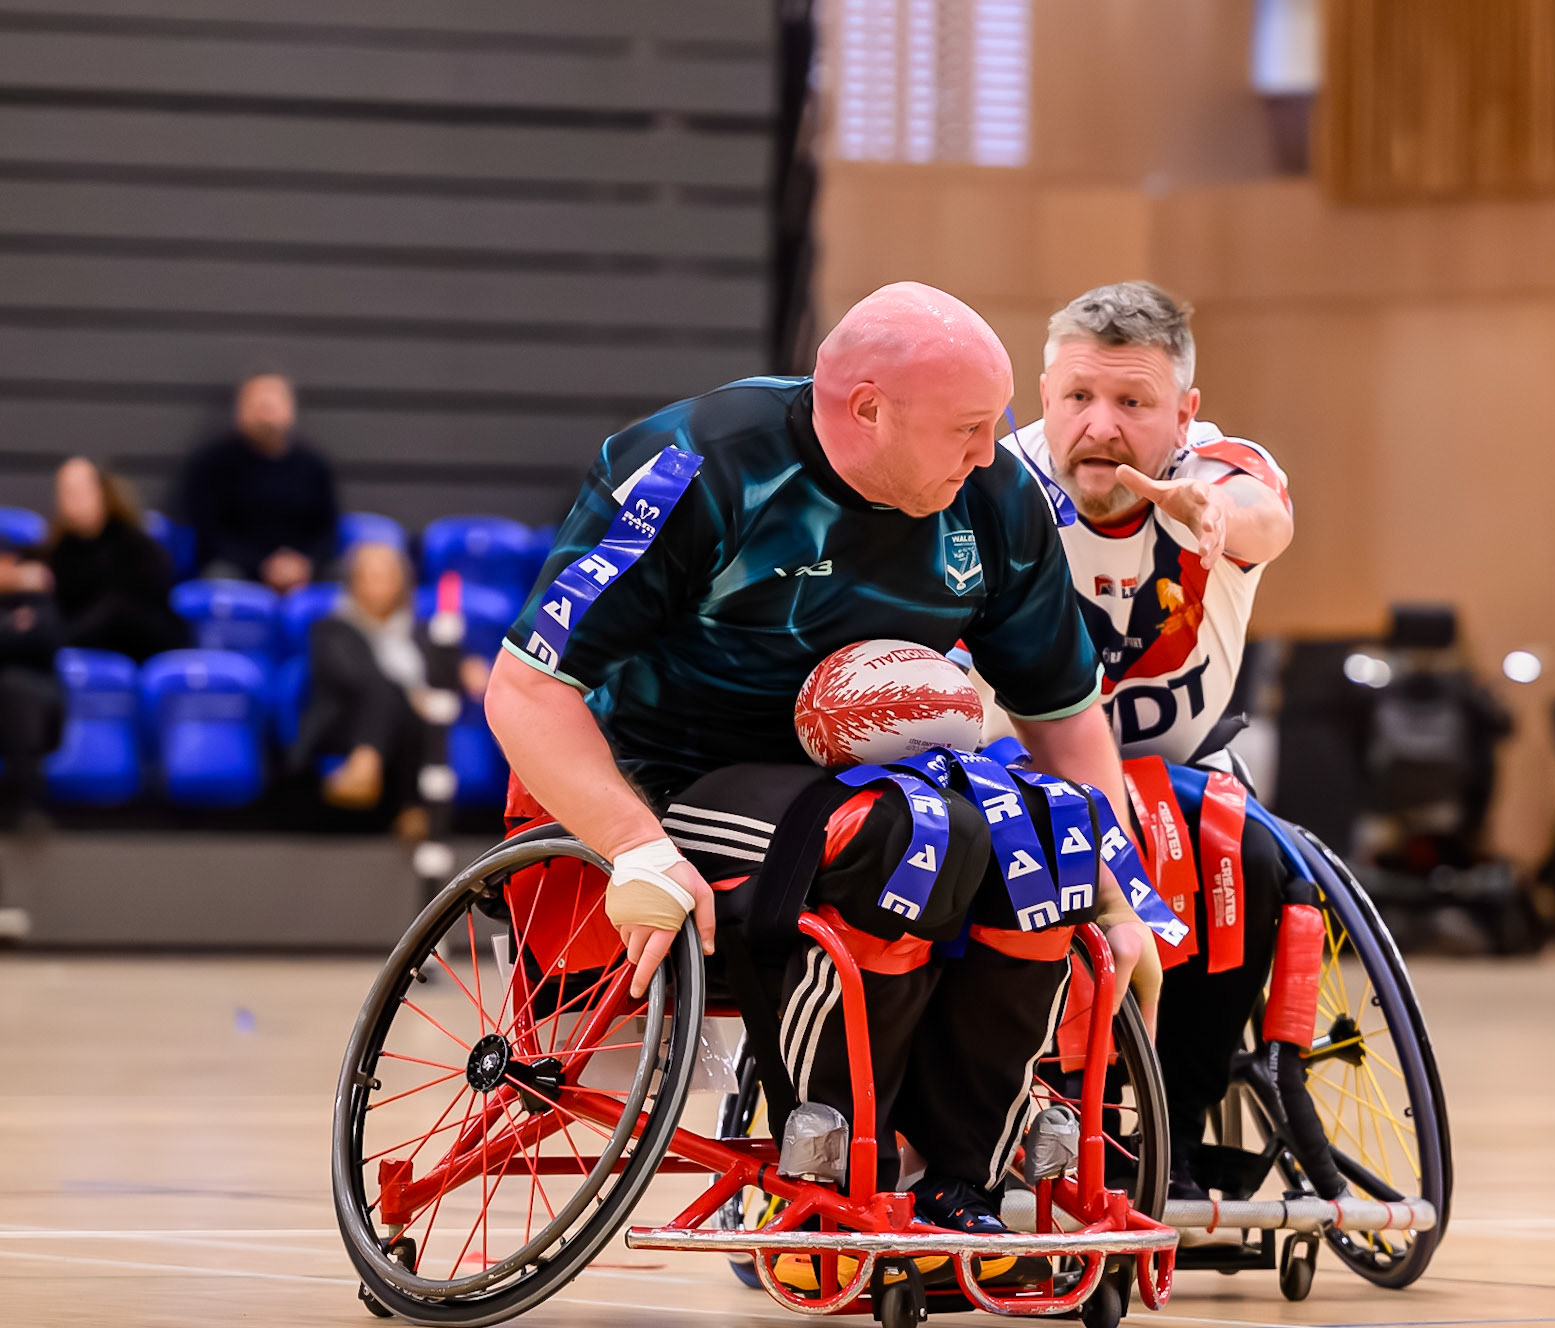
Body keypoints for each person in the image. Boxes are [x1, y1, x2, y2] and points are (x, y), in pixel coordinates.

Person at [486, 282, 1142, 1239]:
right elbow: (523, 688)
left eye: (992, 426)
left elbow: (1065, 718)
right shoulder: (695, 470)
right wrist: (633, 845)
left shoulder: (993, 496)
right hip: (668, 777)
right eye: (965, 427)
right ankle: (840, 1152)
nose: (987, 451)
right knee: (903, 834)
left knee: (1033, 835)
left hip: (876, 778)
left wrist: (1111, 891)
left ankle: (963, 1178)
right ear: (868, 409)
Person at [982, 280, 1303, 1202]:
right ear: (1044, 396)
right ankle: (1005, 1124)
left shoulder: (1217, 471)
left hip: (1183, 767)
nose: (1101, 426)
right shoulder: (997, 484)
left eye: (1133, 403)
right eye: (1079, 398)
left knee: (1239, 850)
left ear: (1184, 414)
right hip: (1022, 767)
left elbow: (1262, 514)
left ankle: (1171, 1134)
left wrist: (1212, 517)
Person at [294, 541, 485, 836]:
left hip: (407, 736)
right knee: (385, 687)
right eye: (370, 575)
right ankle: (379, 775)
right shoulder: (331, 628)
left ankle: (384, 782)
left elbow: (445, 670)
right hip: (342, 729)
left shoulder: (421, 631)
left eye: (387, 575)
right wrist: (412, 694)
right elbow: (352, 677)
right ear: (353, 581)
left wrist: (463, 665)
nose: (379, 584)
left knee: (424, 706)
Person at [177, 373, 338, 593]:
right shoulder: (213, 463)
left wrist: (305, 564)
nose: (265, 413)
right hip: (236, 570)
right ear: (240, 410)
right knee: (218, 578)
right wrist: (261, 566)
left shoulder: (314, 465)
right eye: (257, 404)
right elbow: (210, 533)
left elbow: (328, 530)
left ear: (290, 409)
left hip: (304, 571)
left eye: (272, 404)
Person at [40, 456, 191, 663]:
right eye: (65, 493)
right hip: (90, 645)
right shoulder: (58, 550)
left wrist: (56, 638)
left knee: (115, 610)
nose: (71, 501)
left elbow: (135, 612)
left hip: (145, 646)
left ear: (102, 492)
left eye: (79, 492)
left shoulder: (137, 545)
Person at [0, 535, 65, 829]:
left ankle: (25, 805)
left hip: (37, 705)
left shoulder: (38, 603)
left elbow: (45, 640)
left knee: (16, 686)